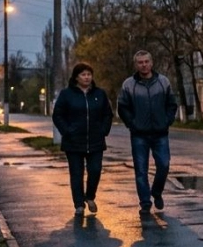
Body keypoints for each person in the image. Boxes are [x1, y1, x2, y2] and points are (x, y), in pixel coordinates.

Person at [117, 50, 179, 215]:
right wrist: (132, 124)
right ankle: (145, 202)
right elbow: (122, 107)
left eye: (146, 62)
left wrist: (167, 121)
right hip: (139, 134)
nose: (143, 65)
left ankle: (156, 192)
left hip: (160, 133)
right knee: (141, 170)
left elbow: (172, 104)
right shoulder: (129, 84)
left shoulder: (163, 82)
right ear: (136, 65)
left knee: (164, 165)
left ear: (151, 63)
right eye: (140, 62)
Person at [52, 63, 114, 217]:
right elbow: (57, 115)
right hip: (73, 142)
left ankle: (90, 196)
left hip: (96, 140)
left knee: (95, 170)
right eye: (83, 74)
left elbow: (107, 114)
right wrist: (67, 131)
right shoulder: (67, 94)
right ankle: (79, 204)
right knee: (76, 173)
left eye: (89, 74)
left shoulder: (99, 94)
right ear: (76, 77)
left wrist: (103, 130)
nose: (87, 77)